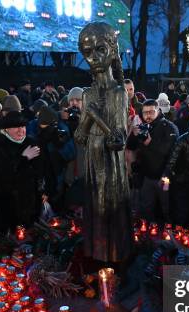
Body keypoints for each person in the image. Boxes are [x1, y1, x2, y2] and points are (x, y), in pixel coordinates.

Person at [75, 22, 133, 263]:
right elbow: (80, 137)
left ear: (112, 50)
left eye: (100, 50)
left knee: (110, 209)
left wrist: (110, 134)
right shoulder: (87, 95)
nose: (94, 58)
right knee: (95, 210)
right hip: (92, 162)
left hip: (111, 166)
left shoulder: (119, 93)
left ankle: (116, 256)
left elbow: (118, 140)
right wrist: (89, 117)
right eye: (87, 53)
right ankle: (96, 254)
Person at [0, 111, 54, 228]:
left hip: (34, 202)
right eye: (15, 127)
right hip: (11, 205)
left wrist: (46, 190)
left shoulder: (33, 142)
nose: (20, 130)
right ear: (6, 129)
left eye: (22, 126)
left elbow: (46, 169)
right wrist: (24, 158)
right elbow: (4, 176)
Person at [127, 99, 179, 223]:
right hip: (147, 176)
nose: (148, 115)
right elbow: (130, 147)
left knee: (167, 207)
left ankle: (170, 236)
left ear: (158, 111)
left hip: (165, 177)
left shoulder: (169, 127)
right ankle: (147, 237)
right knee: (146, 209)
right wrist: (133, 134)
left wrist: (150, 142)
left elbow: (169, 151)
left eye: (151, 112)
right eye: (145, 113)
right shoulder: (142, 127)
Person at [27, 105, 75, 211]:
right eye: (43, 126)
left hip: (59, 176)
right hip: (41, 181)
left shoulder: (61, 131)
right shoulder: (32, 133)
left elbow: (70, 154)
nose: (45, 129)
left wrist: (60, 143)